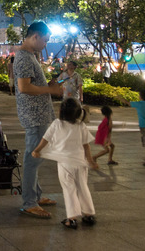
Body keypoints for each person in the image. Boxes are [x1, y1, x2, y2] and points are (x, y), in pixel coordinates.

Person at [15, 21, 64, 219]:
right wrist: (51, 90)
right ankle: (29, 202)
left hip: (39, 114)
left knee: (36, 157)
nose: (46, 44)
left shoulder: (29, 56)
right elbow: (24, 88)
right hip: (34, 116)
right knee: (32, 158)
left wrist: (49, 84)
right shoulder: (24, 58)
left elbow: (31, 84)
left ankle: (35, 195)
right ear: (35, 36)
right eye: (45, 40)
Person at [32, 98, 98, 229]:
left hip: (65, 163)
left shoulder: (57, 124)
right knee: (83, 187)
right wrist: (90, 161)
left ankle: (72, 218)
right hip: (80, 163)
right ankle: (88, 214)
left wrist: (36, 150)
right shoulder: (81, 125)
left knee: (69, 189)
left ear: (61, 111)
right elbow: (86, 146)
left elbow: (45, 139)